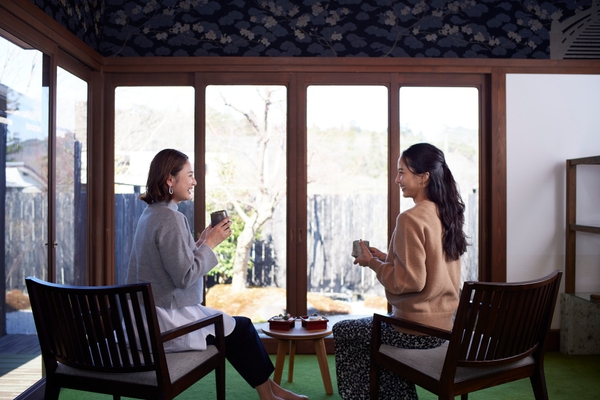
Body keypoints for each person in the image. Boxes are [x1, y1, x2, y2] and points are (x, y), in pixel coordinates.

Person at [127, 149, 307, 400]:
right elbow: (184, 276)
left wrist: (201, 242)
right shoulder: (171, 218)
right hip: (165, 321)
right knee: (242, 329)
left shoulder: (151, 213)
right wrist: (211, 244)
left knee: (238, 328)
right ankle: (269, 395)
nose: (194, 181)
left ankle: (272, 391)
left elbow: (172, 266)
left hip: (145, 317)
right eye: (190, 175)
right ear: (170, 179)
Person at [332, 143, 468, 400]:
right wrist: (385, 258)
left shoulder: (410, 218)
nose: (397, 179)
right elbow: (430, 267)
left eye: (402, 172)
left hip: (414, 330)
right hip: (444, 328)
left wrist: (372, 264)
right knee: (368, 331)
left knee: (345, 330)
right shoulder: (445, 213)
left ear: (424, 177)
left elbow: (410, 281)